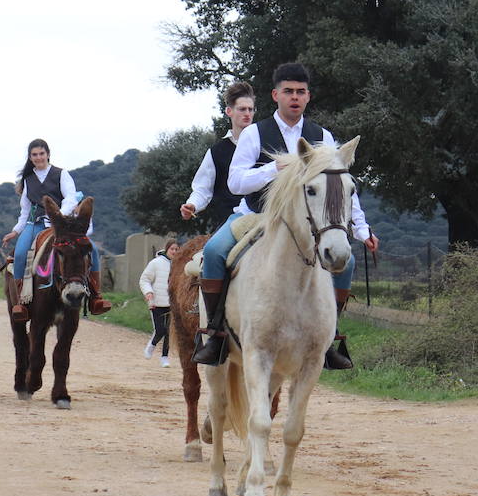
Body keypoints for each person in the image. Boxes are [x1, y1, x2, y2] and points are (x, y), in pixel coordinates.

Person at [193, 63, 377, 368]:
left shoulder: (322, 136)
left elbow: (339, 189)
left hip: (307, 223)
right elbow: (235, 182)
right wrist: (272, 168)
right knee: (213, 252)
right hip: (257, 216)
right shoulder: (254, 133)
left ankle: (329, 338)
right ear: (275, 95)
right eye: (288, 91)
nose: (295, 97)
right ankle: (216, 335)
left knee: (348, 263)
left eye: (300, 92)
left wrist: (361, 229)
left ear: (308, 96)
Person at [1, 139, 111, 321]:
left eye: (41, 153)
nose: (38, 157)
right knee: (20, 254)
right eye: (34, 155)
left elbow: (70, 199)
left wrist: (58, 216)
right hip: (35, 224)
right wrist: (15, 231)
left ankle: (95, 298)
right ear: (30, 157)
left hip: (61, 224)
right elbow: (26, 210)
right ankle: (21, 301)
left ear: (48, 154)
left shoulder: (61, 174)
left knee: (92, 249)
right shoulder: (27, 179)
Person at [181, 81, 257, 228]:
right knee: (213, 251)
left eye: (251, 109)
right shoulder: (216, 152)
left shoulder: (265, 145)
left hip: (264, 221)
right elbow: (202, 189)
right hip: (229, 225)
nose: (247, 114)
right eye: (242, 109)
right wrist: (192, 205)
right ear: (229, 111)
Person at [140, 240, 180, 367]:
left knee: (169, 331)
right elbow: (144, 279)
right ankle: (151, 345)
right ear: (167, 249)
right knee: (160, 330)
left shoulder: (179, 265)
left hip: (171, 304)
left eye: (176, 249)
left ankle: (164, 357)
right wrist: (148, 292)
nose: (174, 251)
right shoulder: (156, 263)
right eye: (172, 249)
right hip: (156, 302)